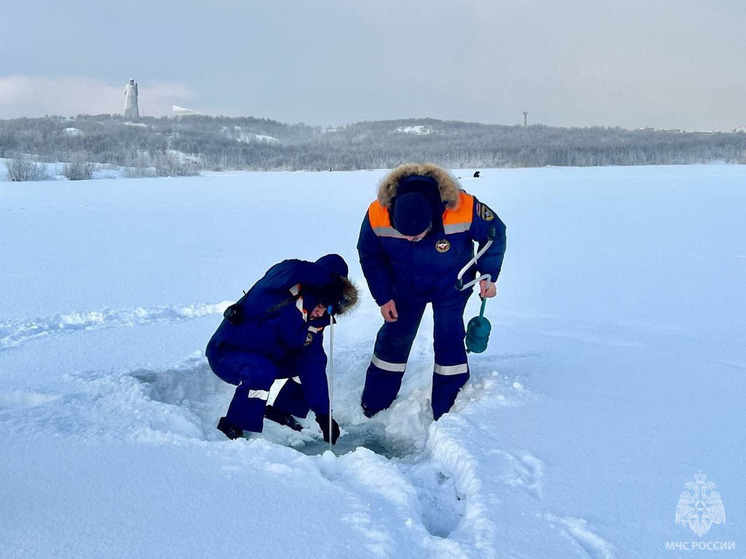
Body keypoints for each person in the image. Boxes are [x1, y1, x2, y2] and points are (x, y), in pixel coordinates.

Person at [357, 163, 506, 420]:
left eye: (417, 235)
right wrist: (383, 297)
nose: (412, 240)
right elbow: (370, 256)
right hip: (402, 289)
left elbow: (495, 234)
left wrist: (487, 275)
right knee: (394, 338)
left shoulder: (463, 206)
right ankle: (374, 405)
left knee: (449, 338)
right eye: (405, 235)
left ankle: (447, 410)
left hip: (451, 285)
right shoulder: (377, 213)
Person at [206, 254, 358, 442]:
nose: (320, 312)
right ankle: (234, 424)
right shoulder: (278, 288)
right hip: (227, 353)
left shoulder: (314, 321)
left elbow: (313, 365)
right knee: (262, 370)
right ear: (318, 288)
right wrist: (329, 279)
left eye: (329, 309)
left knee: (309, 365)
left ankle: (282, 410)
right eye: (321, 304)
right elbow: (292, 268)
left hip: (264, 356)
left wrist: (323, 415)